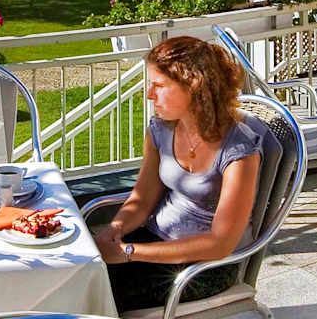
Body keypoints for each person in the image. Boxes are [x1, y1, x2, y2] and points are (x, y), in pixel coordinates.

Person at [92, 36, 265, 313]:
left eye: (159, 86)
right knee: (80, 275)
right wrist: (116, 229)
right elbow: (142, 199)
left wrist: (128, 252)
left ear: (194, 87)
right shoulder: (161, 130)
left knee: (97, 292)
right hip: (153, 241)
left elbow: (220, 244)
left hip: (205, 267)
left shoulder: (239, 150)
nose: (150, 94)